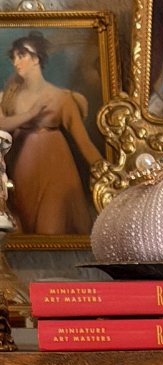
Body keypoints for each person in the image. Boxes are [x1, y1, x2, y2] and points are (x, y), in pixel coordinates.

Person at [0, 32, 102, 236]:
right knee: (23, 230)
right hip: (21, 177)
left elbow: (84, 142)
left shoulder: (61, 98)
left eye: (21, 56)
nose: (16, 62)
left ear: (36, 59)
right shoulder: (8, 98)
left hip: (56, 174)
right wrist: (31, 113)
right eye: (14, 57)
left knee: (50, 229)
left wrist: (106, 170)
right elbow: (2, 125)